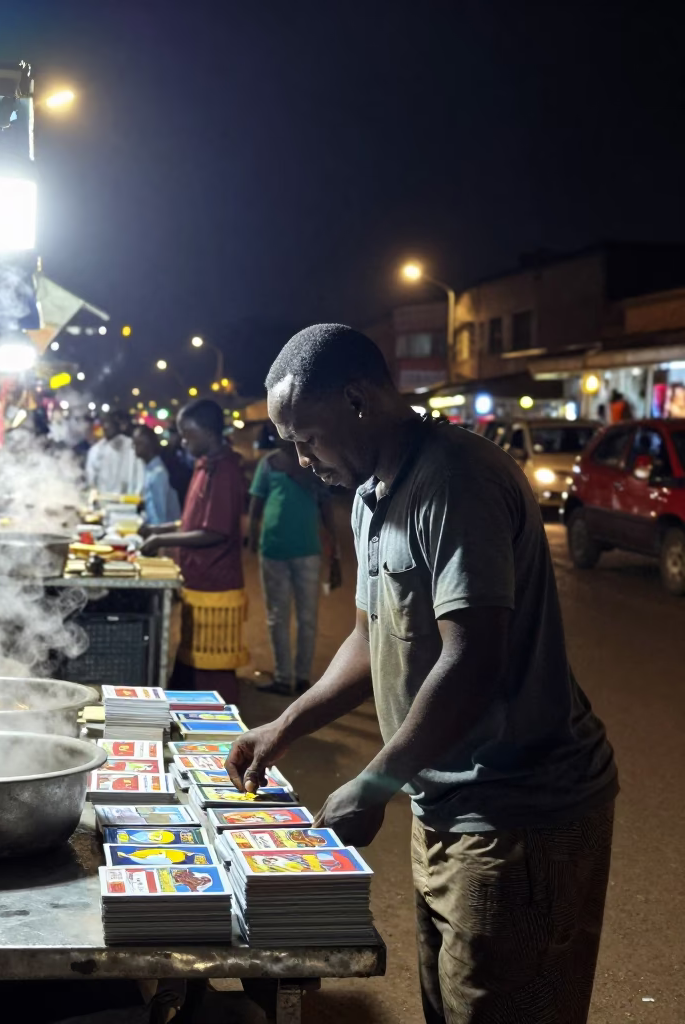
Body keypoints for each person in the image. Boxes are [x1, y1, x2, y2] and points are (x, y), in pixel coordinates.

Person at [226, 325, 618, 1024]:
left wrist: (374, 781)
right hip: (442, 802)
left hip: (518, 813)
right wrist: (283, 726)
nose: (300, 460)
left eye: (306, 438)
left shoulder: (456, 482)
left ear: (356, 400)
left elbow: (473, 660)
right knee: (449, 1004)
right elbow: (370, 638)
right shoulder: (370, 494)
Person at [140, 399, 247, 700]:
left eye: (188, 434)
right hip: (198, 577)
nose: (183, 441)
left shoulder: (223, 471)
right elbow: (192, 521)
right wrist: (159, 529)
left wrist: (162, 541)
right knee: (191, 658)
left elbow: (213, 531)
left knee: (211, 668)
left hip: (216, 581)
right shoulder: (204, 466)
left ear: (210, 434)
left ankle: (219, 730)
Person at [248, 437, 341, 695]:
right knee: (277, 616)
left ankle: (301, 679)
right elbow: (256, 503)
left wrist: (335, 552)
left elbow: (327, 506)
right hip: (272, 550)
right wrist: (253, 537)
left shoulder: (314, 462)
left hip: (308, 550)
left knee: (306, 618)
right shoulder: (269, 463)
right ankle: (282, 676)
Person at [85, 410, 144, 495]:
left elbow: (140, 478)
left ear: (120, 425)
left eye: (109, 423)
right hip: (103, 503)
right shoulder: (96, 450)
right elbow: (91, 479)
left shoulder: (133, 448)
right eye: (103, 423)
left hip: (128, 503)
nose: (105, 427)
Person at [132, 424, 182, 525]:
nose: (134, 447)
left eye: (138, 443)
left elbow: (159, 517)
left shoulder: (158, 474)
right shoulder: (150, 470)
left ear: (148, 445)